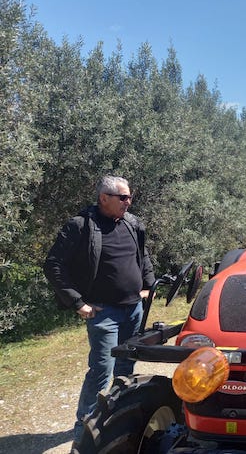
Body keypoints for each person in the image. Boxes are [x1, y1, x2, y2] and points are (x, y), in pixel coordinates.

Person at [43, 176, 155, 447]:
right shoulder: (81, 226)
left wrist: (148, 285)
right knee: (101, 370)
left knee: (126, 367)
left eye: (130, 197)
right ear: (104, 197)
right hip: (103, 313)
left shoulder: (132, 223)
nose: (129, 202)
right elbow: (53, 265)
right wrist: (77, 302)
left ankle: (120, 417)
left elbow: (143, 256)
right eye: (123, 198)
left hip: (133, 310)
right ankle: (83, 431)